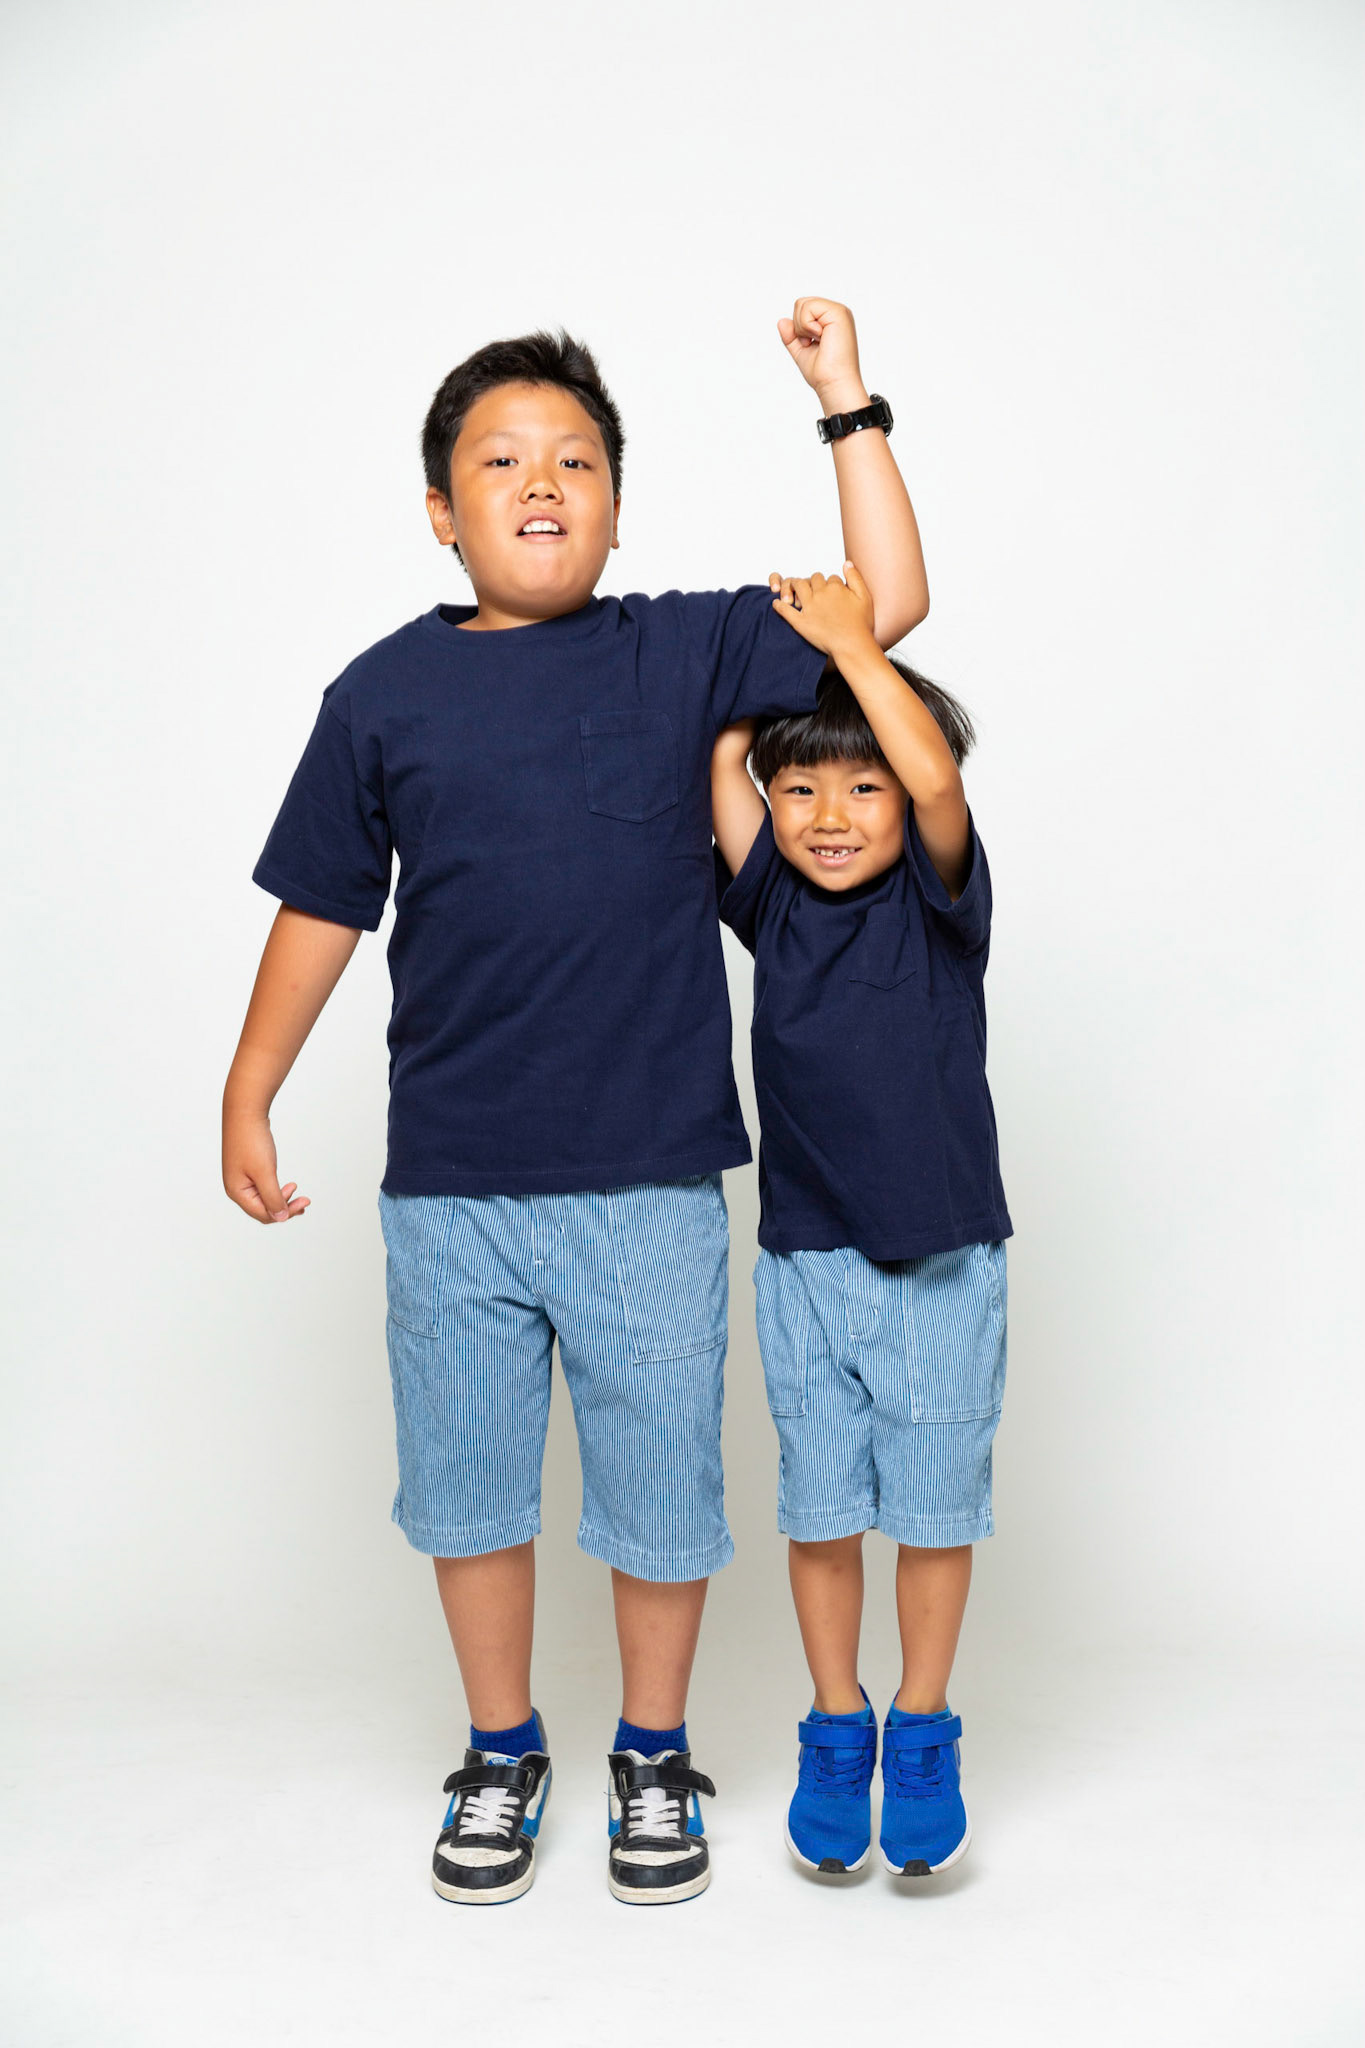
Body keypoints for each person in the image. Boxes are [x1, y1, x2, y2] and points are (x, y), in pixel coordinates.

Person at [221, 302, 930, 1904]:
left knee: (661, 1494)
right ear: (439, 509)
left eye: (575, 461)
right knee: (469, 1493)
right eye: (501, 462)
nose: (540, 483)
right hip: (452, 1185)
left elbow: (883, 602)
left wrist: (844, 402)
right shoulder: (379, 695)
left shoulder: (681, 649)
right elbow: (323, 903)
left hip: (649, 1178)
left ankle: (652, 1754)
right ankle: (500, 1748)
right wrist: (249, 1090)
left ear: (616, 505)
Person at [710, 564, 1010, 1880]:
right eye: (801, 790)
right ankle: (837, 1723)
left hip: (941, 1260)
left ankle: (922, 1724)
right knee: (822, 1513)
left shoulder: (936, 900)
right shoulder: (770, 898)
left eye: (860, 787)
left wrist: (855, 645)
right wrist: (773, 671)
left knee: (934, 1516)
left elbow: (935, 781)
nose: (828, 816)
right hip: (805, 1263)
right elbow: (718, 759)